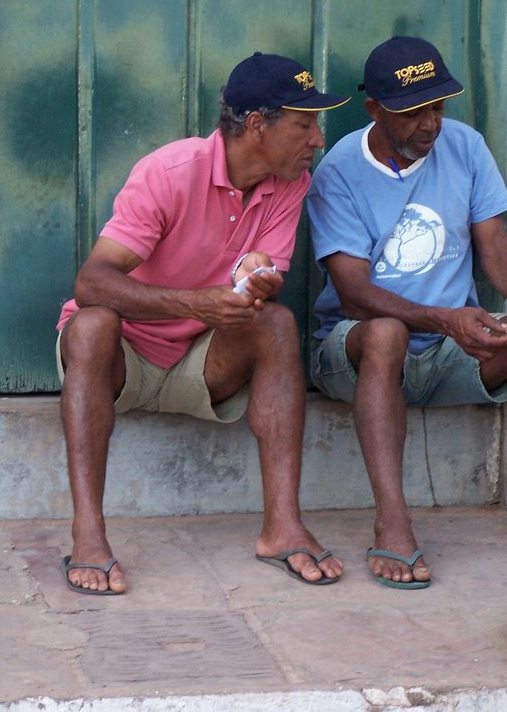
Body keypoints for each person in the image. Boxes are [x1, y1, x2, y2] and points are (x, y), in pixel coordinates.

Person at [306, 36, 507, 589]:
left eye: (438, 106)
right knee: (384, 333)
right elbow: (354, 294)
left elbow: (493, 242)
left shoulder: (464, 146)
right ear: (375, 110)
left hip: (448, 349)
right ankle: (393, 524)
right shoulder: (338, 172)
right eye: (413, 112)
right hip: (355, 352)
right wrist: (445, 318)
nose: (430, 123)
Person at [56, 52, 349, 594]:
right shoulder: (169, 172)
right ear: (257, 125)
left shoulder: (290, 181)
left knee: (278, 323)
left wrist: (257, 280)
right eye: (304, 124)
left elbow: (262, 268)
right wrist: (198, 304)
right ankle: (88, 532)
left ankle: (282, 527)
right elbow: (91, 282)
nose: (317, 139)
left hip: (201, 360)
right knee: (92, 324)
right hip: (124, 358)